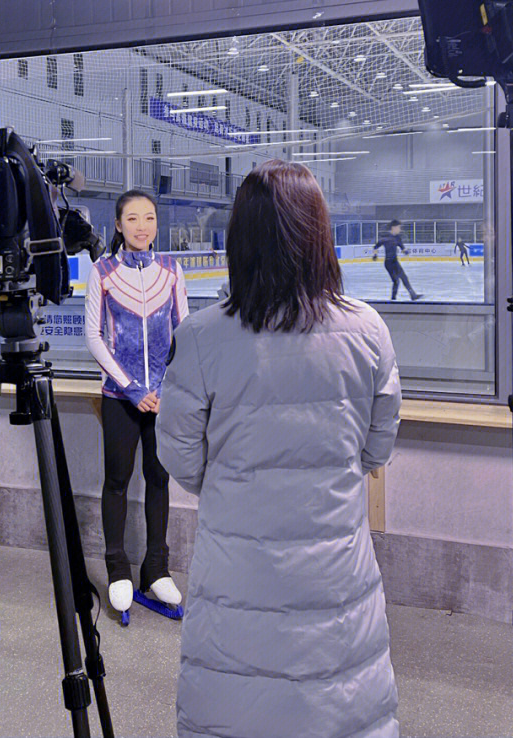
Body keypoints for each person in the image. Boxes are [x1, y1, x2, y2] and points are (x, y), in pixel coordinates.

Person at [157, 160, 402, 738]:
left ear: (239, 239)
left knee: (234, 708)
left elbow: (180, 457)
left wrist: (235, 483)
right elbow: (377, 449)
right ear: (320, 234)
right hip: (336, 573)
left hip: (235, 571)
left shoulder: (200, 335)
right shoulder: (368, 331)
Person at [84, 189, 189, 616]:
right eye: (132, 219)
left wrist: (166, 389)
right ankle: (117, 571)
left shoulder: (171, 270)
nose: (141, 226)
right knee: (117, 480)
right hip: (120, 397)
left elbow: (184, 333)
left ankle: (157, 570)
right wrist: (130, 387)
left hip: (163, 399)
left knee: (160, 479)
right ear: (118, 225)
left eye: (148, 218)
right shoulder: (102, 271)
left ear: (156, 225)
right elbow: (94, 337)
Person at [373, 219, 423, 300]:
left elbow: (402, 248)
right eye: (399, 227)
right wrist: (375, 255)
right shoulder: (385, 238)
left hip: (395, 262)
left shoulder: (398, 238)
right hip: (388, 263)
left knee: (404, 278)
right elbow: (375, 247)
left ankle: (413, 295)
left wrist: (405, 252)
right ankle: (393, 299)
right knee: (396, 281)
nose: (400, 229)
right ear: (394, 227)